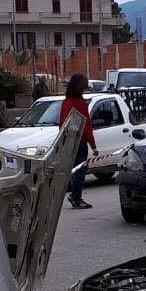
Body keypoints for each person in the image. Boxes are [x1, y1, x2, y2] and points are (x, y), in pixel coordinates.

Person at [61, 74, 98, 209]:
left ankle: (75, 195)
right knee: (81, 170)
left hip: (68, 141)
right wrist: (93, 146)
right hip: (80, 142)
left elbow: (62, 124)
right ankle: (76, 197)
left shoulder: (65, 102)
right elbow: (87, 127)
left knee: (73, 169)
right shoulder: (81, 104)